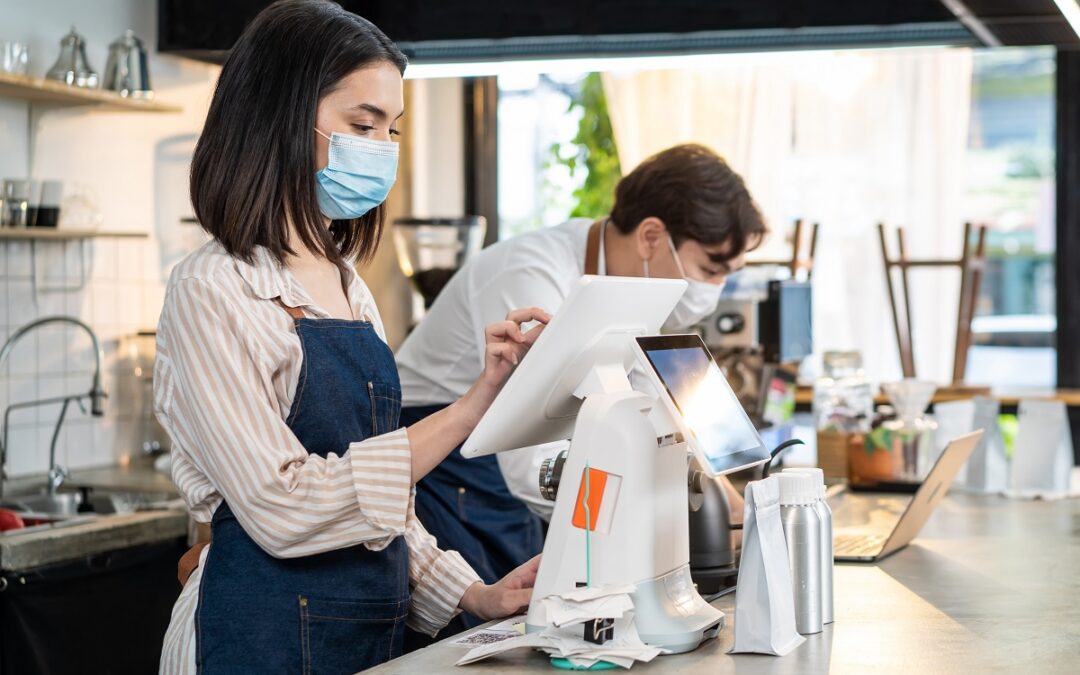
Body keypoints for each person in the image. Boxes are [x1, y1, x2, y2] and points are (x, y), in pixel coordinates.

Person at [154, 2, 548, 672]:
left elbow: (380, 507)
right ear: (280, 117)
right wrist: (468, 408)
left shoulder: (347, 285)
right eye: (363, 125)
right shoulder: (212, 288)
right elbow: (284, 505)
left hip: (366, 636)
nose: (383, 149)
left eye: (392, 129)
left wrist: (474, 593)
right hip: (254, 636)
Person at [396, 143, 768, 623]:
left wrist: (737, 513)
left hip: (521, 462)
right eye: (711, 269)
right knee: (505, 623)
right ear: (653, 237)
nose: (713, 291)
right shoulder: (533, 274)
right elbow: (531, 465)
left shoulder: (641, 289)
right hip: (451, 460)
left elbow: (658, 406)